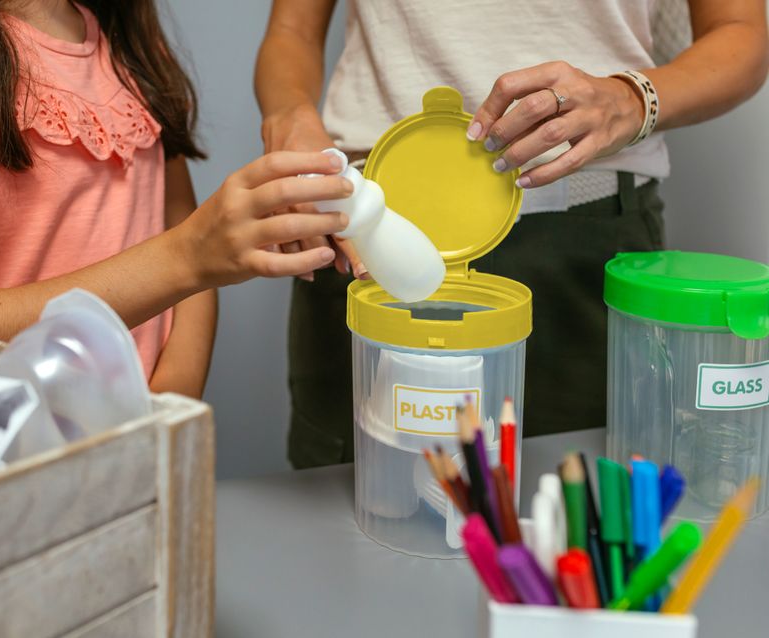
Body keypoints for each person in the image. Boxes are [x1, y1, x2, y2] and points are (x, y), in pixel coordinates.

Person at [256, 0, 768, 467]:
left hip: (583, 246)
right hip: (367, 242)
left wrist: (631, 98)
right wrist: (289, 118)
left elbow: (740, 32)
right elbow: (292, 30)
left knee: (585, 504)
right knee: (361, 513)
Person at [0, 0, 353, 400]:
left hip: (128, 452)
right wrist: (189, 256)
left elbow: (186, 237)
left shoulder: (126, 45)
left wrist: (166, 407)